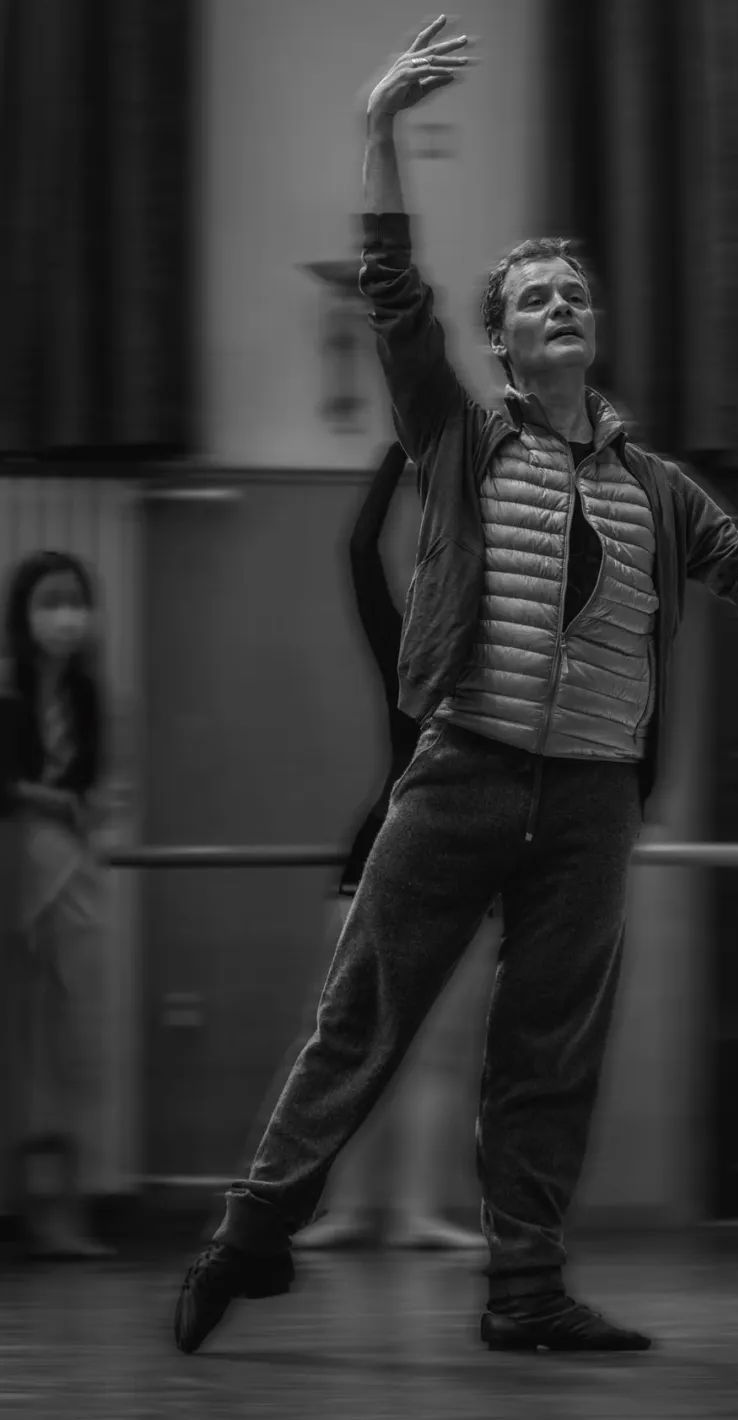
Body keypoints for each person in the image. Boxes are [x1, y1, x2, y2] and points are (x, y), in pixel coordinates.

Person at [174, 15, 738, 1357]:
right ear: (504, 344)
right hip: (462, 766)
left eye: (575, 294)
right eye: (535, 300)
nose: (562, 306)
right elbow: (395, 297)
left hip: (590, 801)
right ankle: (253, 1233)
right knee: (361, 1016)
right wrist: (377, 127)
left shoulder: (657, 492)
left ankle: (525, 1291)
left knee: (549, 1053)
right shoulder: (458, 440)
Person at [264, 439, 488, 1253]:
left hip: (464, 873)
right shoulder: (407, 658)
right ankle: (354, 1210)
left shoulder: (510, 673)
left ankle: (416, 1212)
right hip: (377, 865)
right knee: (350, 1042)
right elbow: (361, 551)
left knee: (439, 1053)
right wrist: (400, 451)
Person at [1, 549, 113, 1260]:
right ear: (24, 612)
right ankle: (22, 1209)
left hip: (70, 868)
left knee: (74, 1043)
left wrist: (60, 804)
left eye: (76, 601)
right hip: (16, 865)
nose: (66, 616)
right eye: (51, 601)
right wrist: (49, 800)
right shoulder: (7, 690)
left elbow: (90, 783)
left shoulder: (87, 694)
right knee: (18, 1043)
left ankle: (68, 1213)